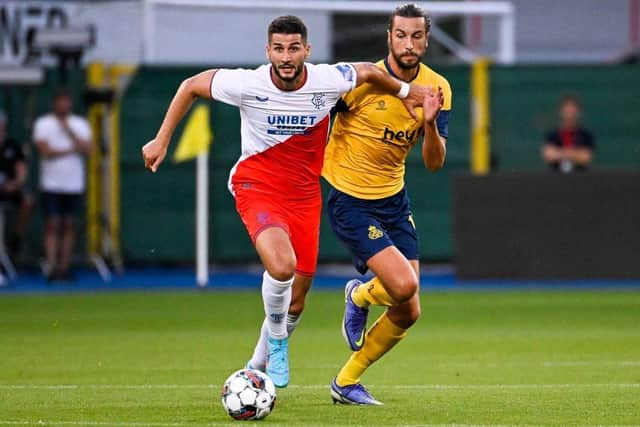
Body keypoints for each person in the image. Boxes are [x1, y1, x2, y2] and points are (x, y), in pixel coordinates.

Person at [141, 15, 428, 389]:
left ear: (306, 51)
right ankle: (277, 342)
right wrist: (161, 139)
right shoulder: (248, 83)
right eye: (278, 49)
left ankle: (255, 369)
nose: (286, 56)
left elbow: (370, 74)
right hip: (257, 184)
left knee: (296, 301)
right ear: (268, 51)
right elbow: (191, 85)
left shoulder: (328, 80)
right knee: (282, 266)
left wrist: (407, 94)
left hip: (305, 196)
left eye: (294, 48)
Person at [322, 4, 451, 405]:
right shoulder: (361, 81)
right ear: (388, 38)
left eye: (416, 36)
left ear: (427, 40)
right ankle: (359, 296)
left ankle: (346, 383)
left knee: (409, 310)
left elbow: (433, 163)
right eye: (401, 35)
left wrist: (428, 122)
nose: (408, 44)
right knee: (404, 285)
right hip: (350, 198)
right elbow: (317, 116)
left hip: (394, 201)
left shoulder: (436, 88)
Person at [33, 88, 92, 282]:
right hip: (51, 183)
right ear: (54, 103)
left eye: (66, 101)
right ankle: (51, 266)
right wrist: (71, 149)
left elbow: (88, 149)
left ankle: (64, 267)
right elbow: (45, 151)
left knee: (68, 224)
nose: (63, 105)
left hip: (73, 183)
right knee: (52, 224)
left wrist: (70, 134)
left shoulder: (79, 124)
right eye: (60, 101)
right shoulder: (44, 124)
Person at [0, 111, 34, 260]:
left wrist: (14, 184)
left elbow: (21, 172)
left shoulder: (12, 145)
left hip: (10, 188)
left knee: (27, 200)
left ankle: (16, 238)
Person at [541, 95, 595, 173]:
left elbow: (586, 157)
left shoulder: (586, 135)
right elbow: (549, 155)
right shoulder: (552, 135)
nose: (570, 116)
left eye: (572, 112)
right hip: (555, 177)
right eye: (567, 112)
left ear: (578, 113)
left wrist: (559, 153)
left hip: (581, 177)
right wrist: (575, 154)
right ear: (561, 112)